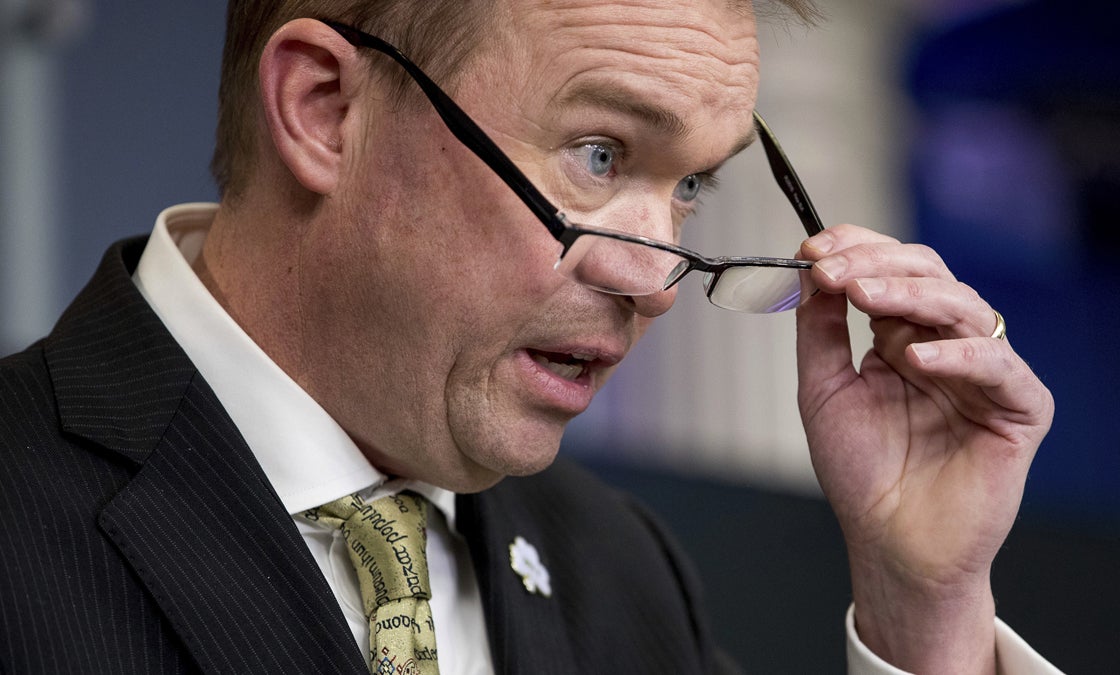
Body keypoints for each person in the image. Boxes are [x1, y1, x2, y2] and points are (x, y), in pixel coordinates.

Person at [0, 0, 1059, 673]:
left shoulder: (618, 571)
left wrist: (926, 610)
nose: (654, 282)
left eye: (690, 184)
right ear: (324, 108)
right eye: (599, 155)